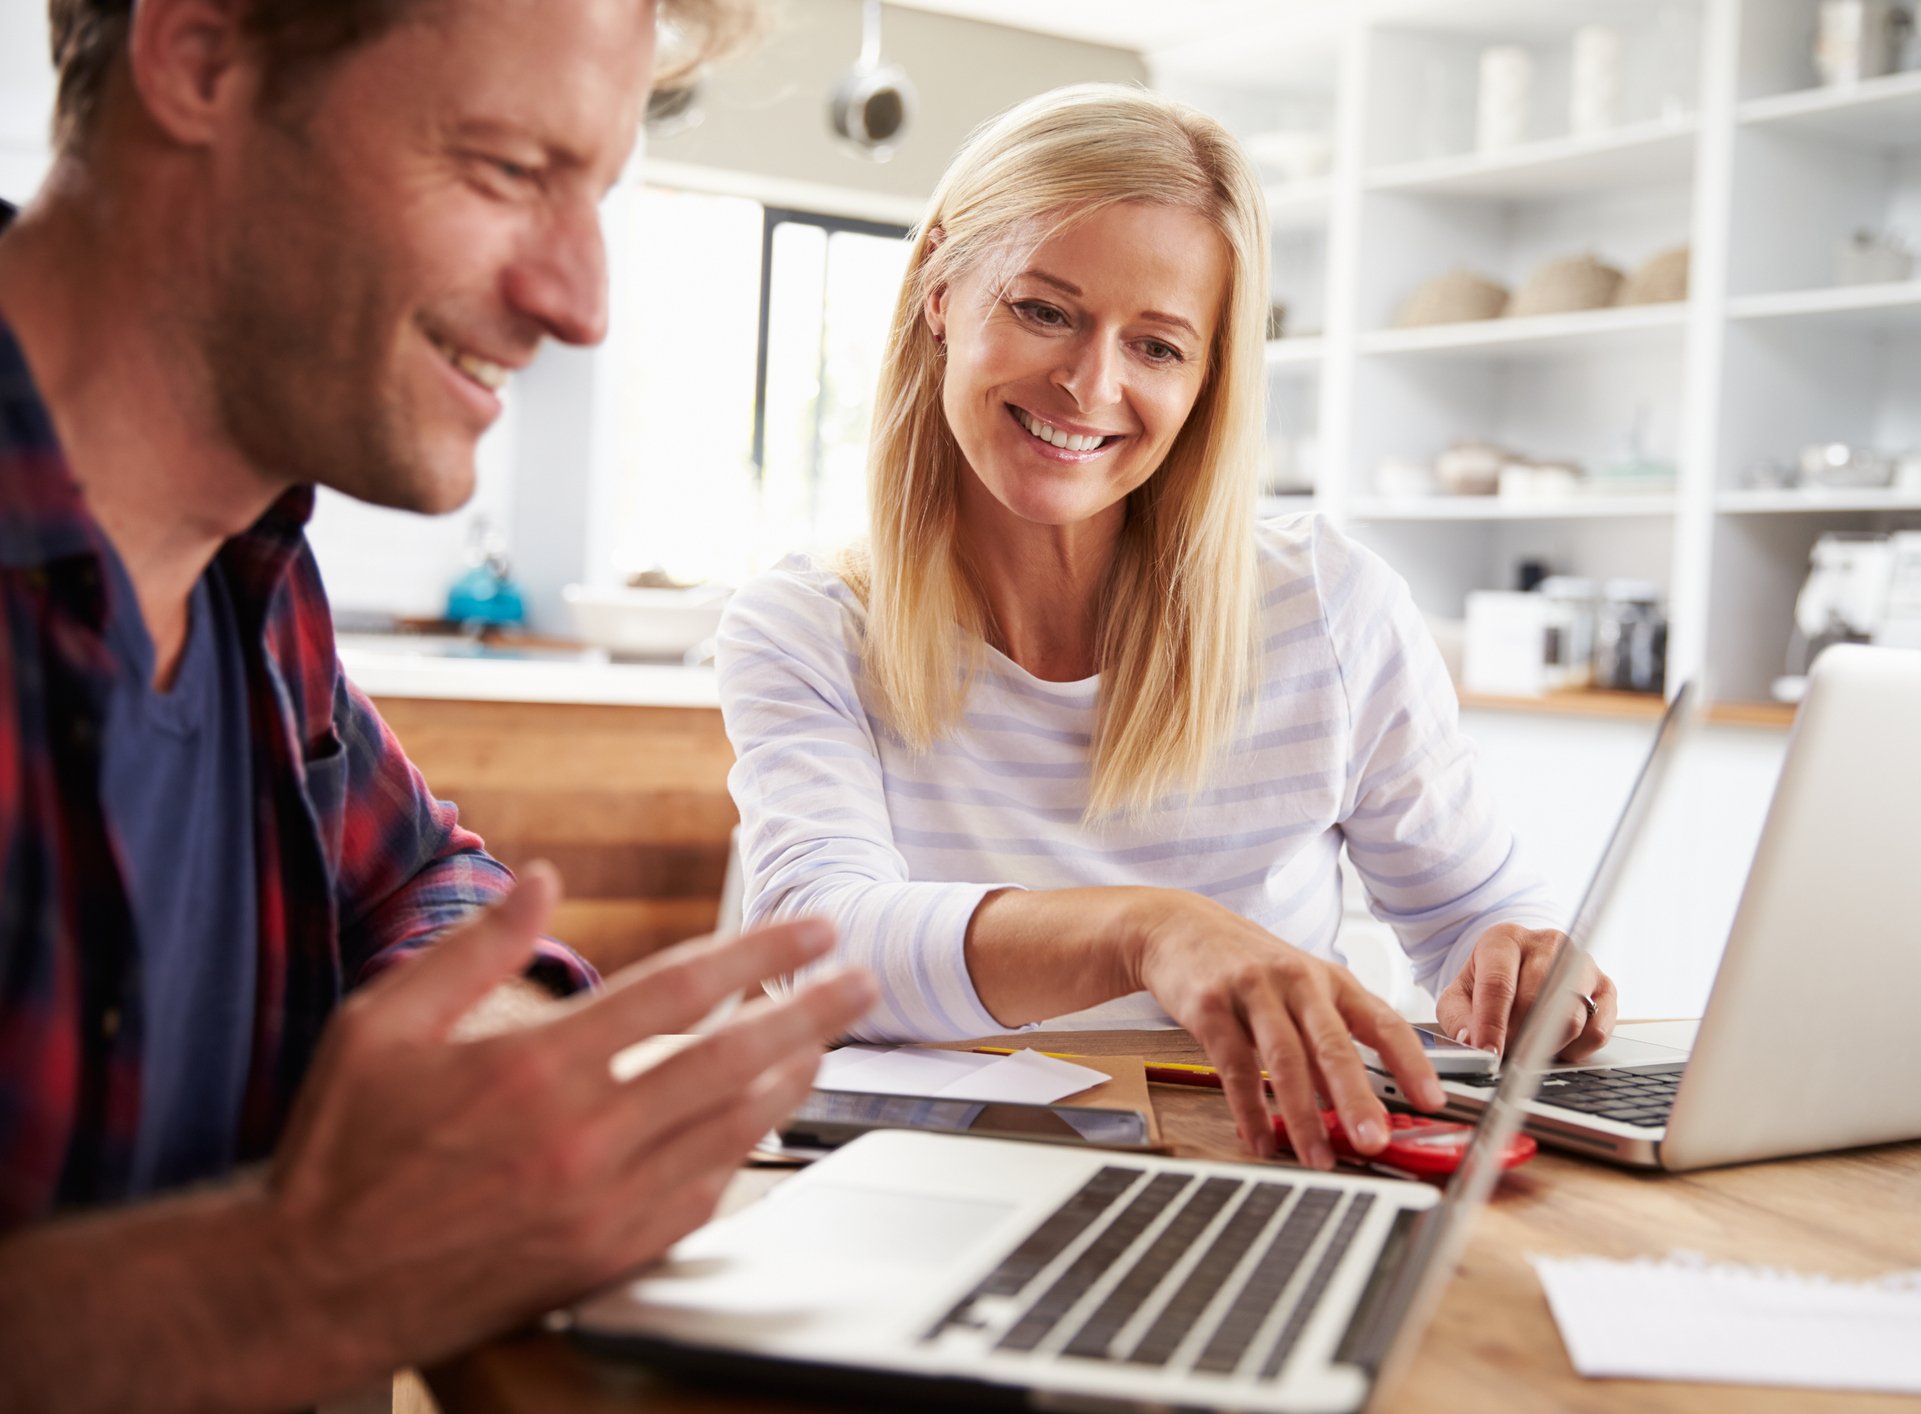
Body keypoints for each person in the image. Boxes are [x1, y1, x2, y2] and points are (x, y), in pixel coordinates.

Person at [0, 1, 875, 1408]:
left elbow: (421, 879)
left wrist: (486, 1053)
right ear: (199, 54)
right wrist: (311, 1272)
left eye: (594, 192)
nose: (581, 306)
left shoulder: (246, 576)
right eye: (509, 169)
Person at [717, 84, 1617, 1176]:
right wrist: (1149, 931)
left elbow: (1472, 912)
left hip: (1267, 1170)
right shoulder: (807, 625)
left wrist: (1522, 963)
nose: (1089, 385)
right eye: (1044, 310)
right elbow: (818, 948)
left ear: (1207, 379)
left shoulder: (1328, 604)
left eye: (1156, 346)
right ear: (941, 289)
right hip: (933, 1177)